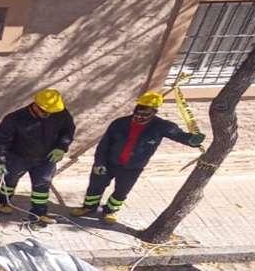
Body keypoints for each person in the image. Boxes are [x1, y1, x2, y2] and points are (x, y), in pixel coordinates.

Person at [71, 91, 205, 223]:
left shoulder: (162, 126)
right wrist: (99, 163)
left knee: (121, 191)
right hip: (109, 162)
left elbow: (178, 135)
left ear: (154, 112)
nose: (140, 117)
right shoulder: (119, 123)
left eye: (145, 114)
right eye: (138, 113)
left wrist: (191, 140)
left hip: (132, 167)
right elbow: (104, 145)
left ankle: (110, 211)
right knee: (95, 186)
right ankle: (89, 207)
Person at [0, 89, 76, 225]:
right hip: (18, 157)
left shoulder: (60, 114)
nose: (49, 115)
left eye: (52, 112)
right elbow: (1, 140)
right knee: (9, 181)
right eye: (45, 112)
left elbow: (68, 131)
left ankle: (39, 213)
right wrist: (0, 161)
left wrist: (61, 147)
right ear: (36, 106)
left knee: (42, 185)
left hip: (46, 158)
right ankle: (1, 201)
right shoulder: (14, 119)